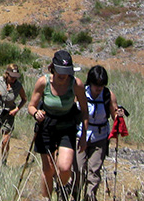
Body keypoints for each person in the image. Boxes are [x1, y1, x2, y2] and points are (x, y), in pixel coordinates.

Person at [27, 50, 89, 201]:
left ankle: (61, 187)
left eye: (66, 72)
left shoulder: (76, 84)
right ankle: (46, 198)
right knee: (48, 169)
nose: (63, 76)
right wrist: (36, 114)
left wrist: (84, 137)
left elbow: (85, 111)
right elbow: (31, 106)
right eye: (60, 72)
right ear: (52, 68)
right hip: (46, 126)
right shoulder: (43, 82)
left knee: (65, 167)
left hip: (67, 126)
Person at [73, 65, 124, 201]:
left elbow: (114, 114)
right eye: (96, 84)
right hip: (80, 135)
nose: (99, 88)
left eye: (101, 85)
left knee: (93, 172)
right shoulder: (80, 92)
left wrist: (118, 115)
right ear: (90, 82)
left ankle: (90, 197)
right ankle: (75, 195)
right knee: (78, 170)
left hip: (100, 138)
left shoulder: (108, 95)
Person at [0, 63, 27, 164]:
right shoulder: (0, 80)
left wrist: (17, 109)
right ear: (7, 74)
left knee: (5, 141)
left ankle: (3, 162)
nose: (13, 79)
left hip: (9, 115)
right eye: (12, 77)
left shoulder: (18, 86)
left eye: (15, 77)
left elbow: (24, 99)